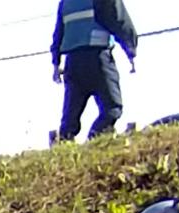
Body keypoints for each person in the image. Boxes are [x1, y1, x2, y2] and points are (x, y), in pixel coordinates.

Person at [53, 0, 138, 142]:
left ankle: (64, 147)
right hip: (98, 58)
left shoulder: (66, 2)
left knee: (69, 122)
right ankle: (94, 142)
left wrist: (56, 62)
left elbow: (58, 32)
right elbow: (118, 19)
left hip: (73, 63)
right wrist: (130, 49)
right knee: (112, 109)